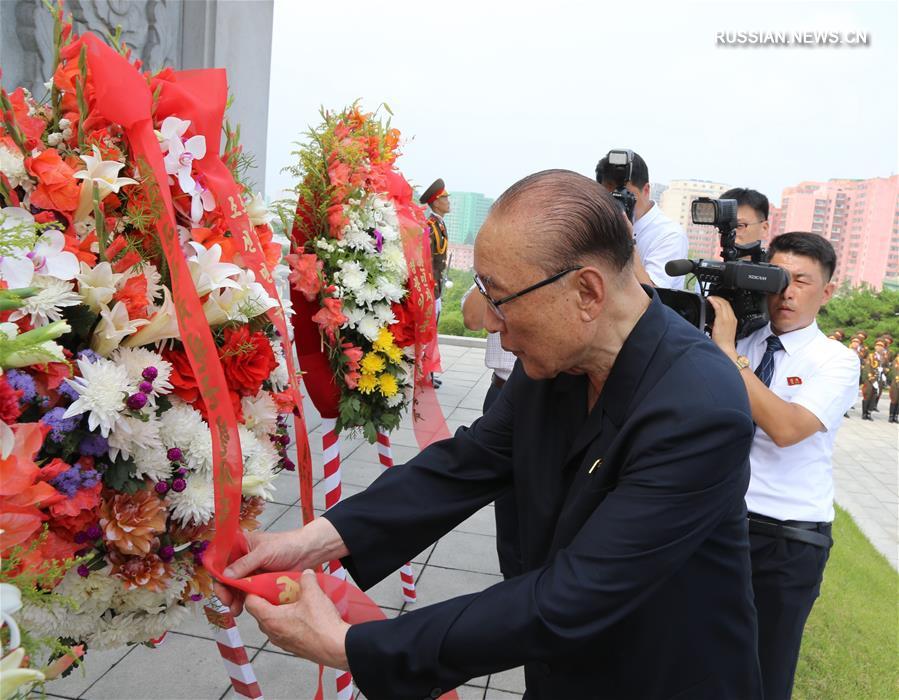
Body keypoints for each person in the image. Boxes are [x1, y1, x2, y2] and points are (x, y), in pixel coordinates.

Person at [217, 170, 761, 700]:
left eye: (499, 297)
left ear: (587, 292)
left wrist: (351, 645)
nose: (489, 321)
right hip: (562, 673)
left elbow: (573, 596)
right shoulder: (558, 362)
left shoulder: (699, 407)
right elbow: (466, 464)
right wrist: (307, 543)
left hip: (661, 677)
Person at [708, 232, 860, 700]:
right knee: (703, 660)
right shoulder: (745, 342)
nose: (787, 292)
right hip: (725, 525)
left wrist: (728, 353)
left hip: (789, 539)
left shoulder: (836, 360)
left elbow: (786, 427)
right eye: (778, 278)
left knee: (764, 675)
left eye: (801, 281)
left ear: (827, 292)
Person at [460, 285, 521, 578]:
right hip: (502, 390)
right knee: (508, 510)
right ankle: (512, 589)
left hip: (557, 392)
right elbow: (473, 319)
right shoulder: (499, 263)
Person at [596, 150, 688, 288]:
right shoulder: (601, 225)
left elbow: (653, 295)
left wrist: (626, 240)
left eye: (625, 196)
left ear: (646, 190)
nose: (616, 204)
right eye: (610, 196)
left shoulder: (669, 234)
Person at [420, 178, 451, 388]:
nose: (449, 202)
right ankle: (424, 374)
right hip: (430, 288)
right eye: (445, 198)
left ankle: (427, 373)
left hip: (436, 288)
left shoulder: (438, 223)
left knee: (431, 333)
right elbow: (426, 260)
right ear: (436, 202)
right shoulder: (430, 226)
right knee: (426, 334)